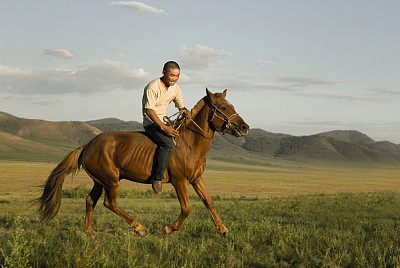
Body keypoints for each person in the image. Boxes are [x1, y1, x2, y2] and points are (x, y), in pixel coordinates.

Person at [142, 61, 191, 195]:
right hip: (151, 122)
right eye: (172, 75)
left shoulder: (176, 88)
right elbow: (149, 110)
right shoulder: (153, 87)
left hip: (165, 120)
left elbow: (181, 108)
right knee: (168, 145)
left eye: (177, 76)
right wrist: (164, 128)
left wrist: (186, 112)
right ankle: (157, 178)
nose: (175, 78)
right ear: (163, 73)